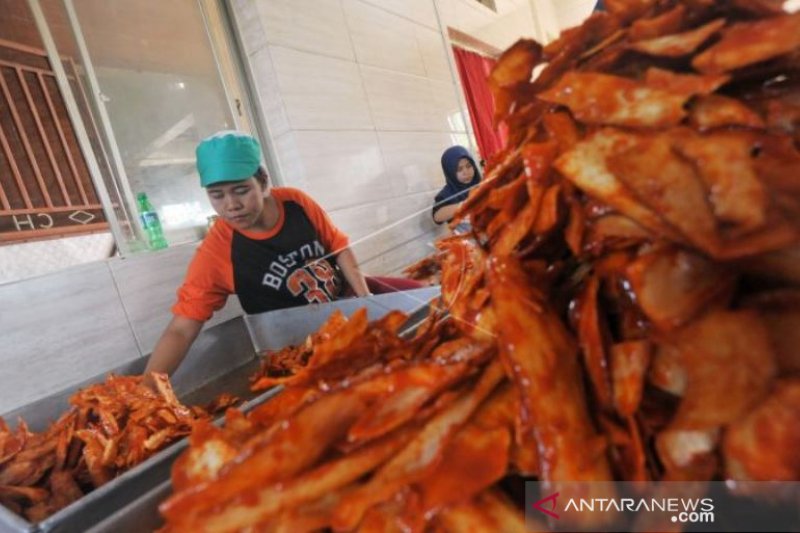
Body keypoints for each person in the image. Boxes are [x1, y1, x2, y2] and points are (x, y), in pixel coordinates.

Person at [144, 131, 376, 380]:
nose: (231, 205)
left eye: (241, 190)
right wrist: (147, 390)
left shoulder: (295, 202)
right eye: (217, 195)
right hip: (294, 353)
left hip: (344, 313)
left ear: (263, 182)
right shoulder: (217, 252)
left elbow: (338, 247)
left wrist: (365, 300)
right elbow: (181, 329)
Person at [431, 145, 481, 233]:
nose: (466, 172)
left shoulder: (482, 183)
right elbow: (437, 217)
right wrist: (464, 205)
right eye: (459, 169)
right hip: (466, 240)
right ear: (450, 172)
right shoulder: (447, 193)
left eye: (469, 166)